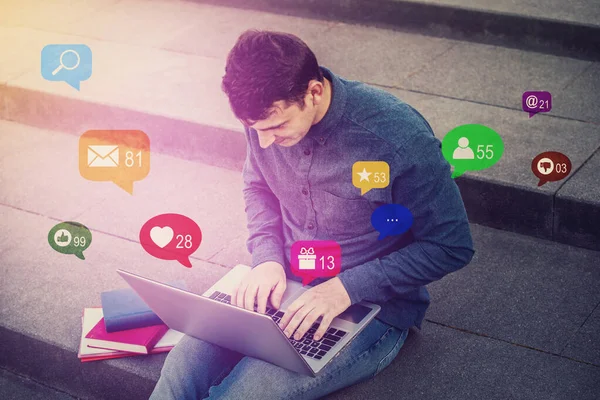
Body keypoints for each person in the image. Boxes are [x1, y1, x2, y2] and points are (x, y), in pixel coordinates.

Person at [150, 30, 475, 400]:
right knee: (179, 372)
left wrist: (347, 288)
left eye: (276, 127)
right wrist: (266, 258)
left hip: (370, 308)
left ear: (314, 92)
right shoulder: (262, 115)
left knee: (243, 395)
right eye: (258, 131)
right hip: (283, 282)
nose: (266, 142)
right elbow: (258, 186)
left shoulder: (397, 139)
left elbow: (452, 246)